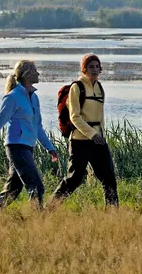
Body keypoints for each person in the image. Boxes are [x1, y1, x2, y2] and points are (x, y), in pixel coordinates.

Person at [0, 59, 58, 209]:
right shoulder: (13, 97)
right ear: (26, 75)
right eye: (35, 70)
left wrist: (50, 148)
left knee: (13, 188)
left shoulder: (34, 97)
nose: (38, 73)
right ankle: (38, 221)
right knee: (36, 186)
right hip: (16, 146)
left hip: (27, 147)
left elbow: (37, 127)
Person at [50, 53, 119, 207]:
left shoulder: (100, 87)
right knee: (74, 179)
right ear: (84, 69)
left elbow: (100, 117)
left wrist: (100, 136)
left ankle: (114, 215)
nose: (94, 70)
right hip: (79, 141)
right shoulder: (77, 87)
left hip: (99, 141)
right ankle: (49, 208)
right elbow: (75, 117)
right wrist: (92, 135)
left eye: (97, 67)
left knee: (109, 178)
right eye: (90, 67)